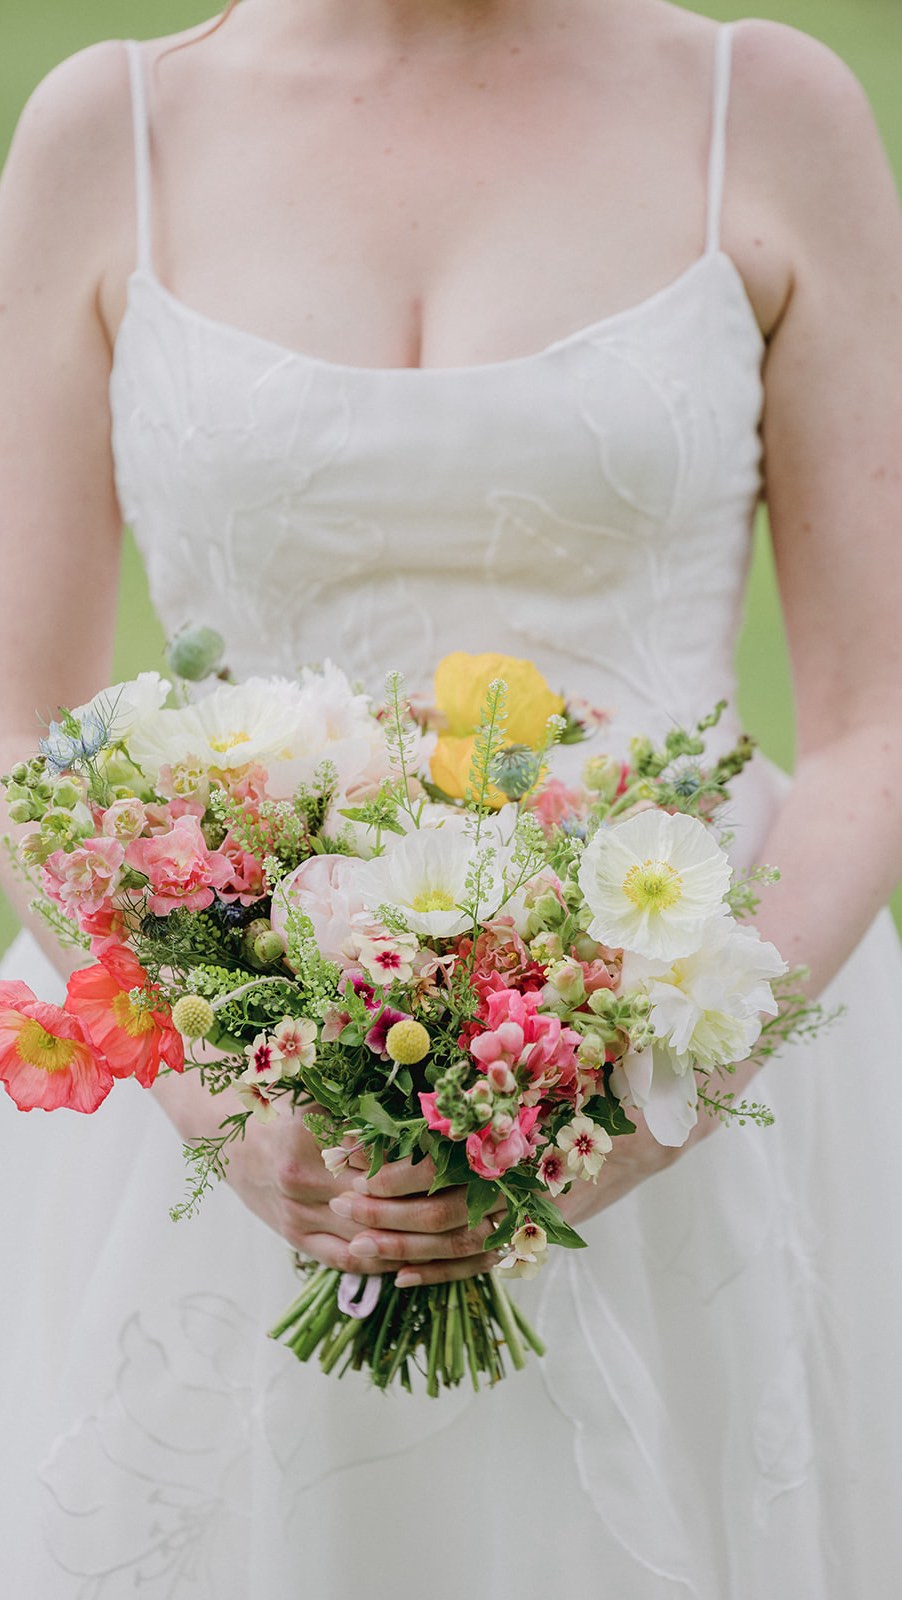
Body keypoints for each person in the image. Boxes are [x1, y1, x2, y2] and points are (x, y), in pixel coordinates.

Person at [2, 0, 902, 1593]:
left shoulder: (761, 110)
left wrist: (654, 1098)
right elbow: (26, 713)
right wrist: (226, 1110)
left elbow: (869, 719)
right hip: (221, 1068)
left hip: (694, 1035)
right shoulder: (108, 131)